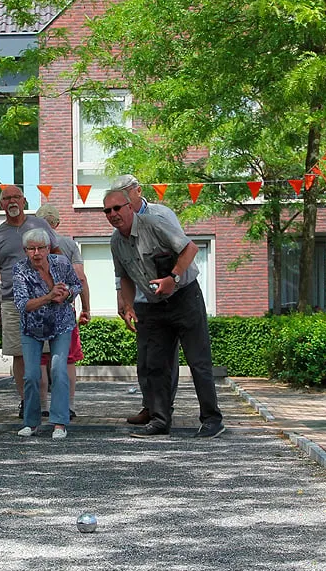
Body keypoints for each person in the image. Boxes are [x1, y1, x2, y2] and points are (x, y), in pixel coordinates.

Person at [104, 187, 225, 439]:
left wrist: (173, 277)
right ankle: (160, 420)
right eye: (107, 210)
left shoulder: (154, 223)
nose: (113, 214)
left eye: (117, 208)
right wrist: (127, 305)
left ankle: (212, 420)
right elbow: (124, 276)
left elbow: (190, 249)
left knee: (198, 362)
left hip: (184, 297)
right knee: (156, 365)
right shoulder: (115, 241)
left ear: (129, 207)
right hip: (151, 305)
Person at [110, 174, 180, 426]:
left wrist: (172, 281)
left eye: (125, 197)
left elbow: (182, 250)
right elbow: (122, 267)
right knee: (145, 358)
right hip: (141, 298)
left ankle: (164, 409)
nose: (118, 206)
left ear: (138, 192)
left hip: (169, 296)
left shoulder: (161, 214)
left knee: (166, 359)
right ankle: (149, 406)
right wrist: (122, 298)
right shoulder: (120, 222)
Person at [0, 185, 56, 418]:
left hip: (43, 300)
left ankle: (43, 404)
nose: (12, 201)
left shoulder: (40, 225)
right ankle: (27, 402)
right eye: (7, 198)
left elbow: (58, 257)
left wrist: (61, 291)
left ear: (24, 201)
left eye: (16, 197)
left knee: (42, 353)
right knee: (19, 354)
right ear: (1, 204)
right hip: (12, 302)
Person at [13, 228, 81, 440]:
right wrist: (50, 296)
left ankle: (59, 423)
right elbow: (22, 304)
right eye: (31, 249)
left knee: (59, 369)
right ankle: (31, 423)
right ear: (25, 250)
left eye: (40, 248)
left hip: (61, 323)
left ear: (48, 248)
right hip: (32, 327)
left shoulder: (61, 263)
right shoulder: (20, 270)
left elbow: (77, 284)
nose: (36, 253)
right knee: (31, 374)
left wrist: (67, 294)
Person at [34, 203, 90, 419]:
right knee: (67, 359)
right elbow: (81, 278)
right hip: (64, 310)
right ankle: (69, 405)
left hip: (37, 310)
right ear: (57, 223)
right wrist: (85, 308)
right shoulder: (68, 244)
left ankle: (41, 406)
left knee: (39, 359)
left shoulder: (31, 245)